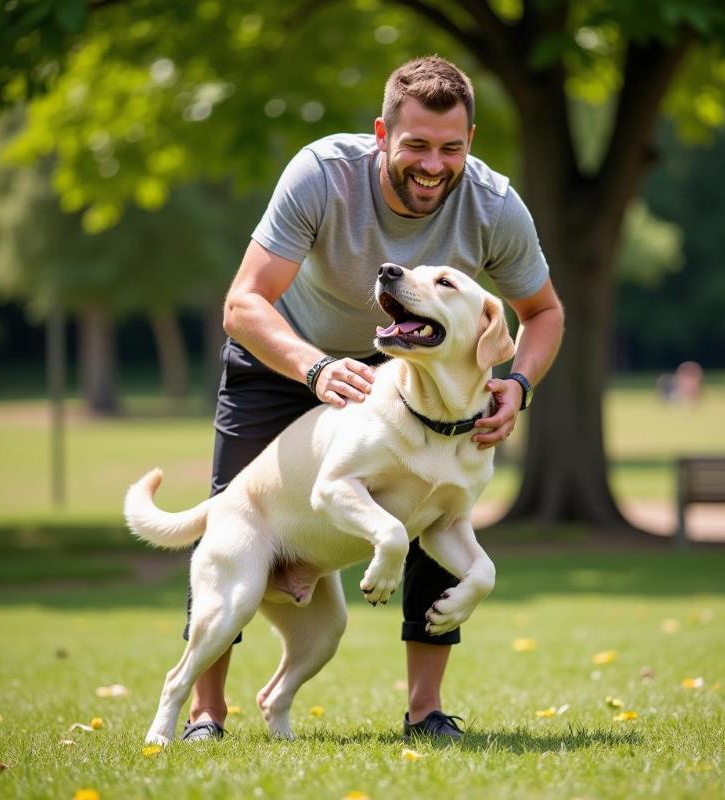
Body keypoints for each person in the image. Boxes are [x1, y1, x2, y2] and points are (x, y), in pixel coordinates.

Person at [180, 55, 564, 742]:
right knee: (234, 514)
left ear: (470, 140)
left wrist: (520, 383)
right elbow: (244, 302)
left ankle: (425, 712)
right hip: (286, 352)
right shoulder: (322, 174)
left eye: (451, 148)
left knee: (432, 497)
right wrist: (314, 368)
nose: (433, 163)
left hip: (412, 358)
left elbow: (544, 313)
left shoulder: (494, 204)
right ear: (383, 134)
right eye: (416, 144)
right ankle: (206, 713)